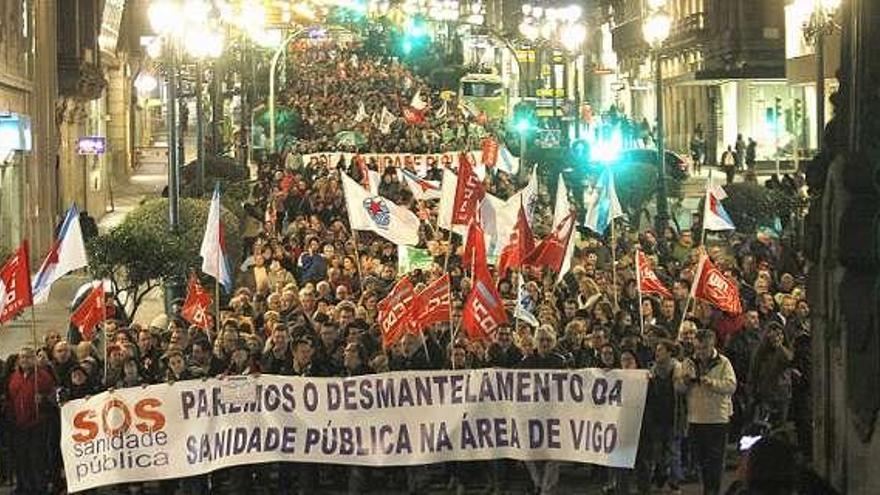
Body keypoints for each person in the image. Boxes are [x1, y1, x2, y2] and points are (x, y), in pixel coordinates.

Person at [676, 329, 737, 495]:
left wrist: (713, 384)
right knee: (701, 459)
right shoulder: (688, 363)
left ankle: (713, 490)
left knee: (715, 460)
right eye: (698, 348)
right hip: (696, 418)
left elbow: (731, 386)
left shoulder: (723, 363)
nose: (701, 352)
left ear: (712, 345)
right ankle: (706, 487)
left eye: (704, 348)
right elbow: (679, 388)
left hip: (717, 418)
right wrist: (685, 382)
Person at [7, 346, 56, 494]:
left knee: (36, 457)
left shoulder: (43, 376)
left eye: (28, 357)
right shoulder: (14, 376)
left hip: (37, 423)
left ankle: (39, 487)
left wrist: (44, 400)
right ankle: (23, 486)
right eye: (22, 357)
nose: (25, 360)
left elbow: (53, 397)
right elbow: (11, 397)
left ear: (34, 359)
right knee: (22, 457)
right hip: (19, 423)